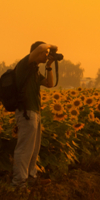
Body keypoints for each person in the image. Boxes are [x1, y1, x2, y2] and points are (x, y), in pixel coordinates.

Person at [12, 41, 59, 189]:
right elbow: (39, 47)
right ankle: (19, 183)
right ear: (36, 53)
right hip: (26, 112)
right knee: (24, 149)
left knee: (34, 149)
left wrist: (49, 66)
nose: (46, 55)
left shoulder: (34, 70)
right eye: (45, 53)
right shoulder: (25, 64)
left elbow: (50, 84)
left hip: (35, 113)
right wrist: (51, 46)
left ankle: (31, 178)